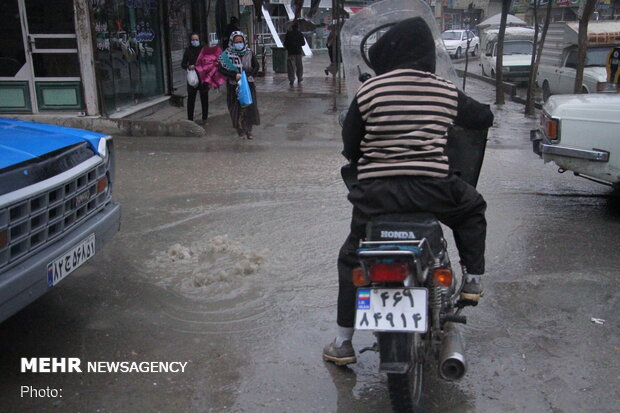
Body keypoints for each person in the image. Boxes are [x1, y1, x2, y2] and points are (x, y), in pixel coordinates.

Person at [322, 17, 494, 366]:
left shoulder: (369, 91)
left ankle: (342, 342)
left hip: (376, 196)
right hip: (433, 189)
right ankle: (473, 279)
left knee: (351, 259)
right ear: (427, 53)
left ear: (388, 54)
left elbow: (350, 143)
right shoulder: (444, 89)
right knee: (473, 209)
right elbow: (482, 118)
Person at [218, 31, 260, 140]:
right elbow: (221, 69)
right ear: (232, 42)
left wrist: (249, 76)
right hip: (233, 86)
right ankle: (239, 129)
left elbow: (256, 66)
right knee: (235, 109)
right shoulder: (226, 55)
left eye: (240, 41)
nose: (239, 44)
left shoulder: (249, 53)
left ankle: (248, 131)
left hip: (248, 85)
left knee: (249, 107)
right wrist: (233, 75)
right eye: (236, 42)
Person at [181, 33, 209, 123]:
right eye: (193, 40)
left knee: (204, 98)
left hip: (203, 77)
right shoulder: (188, 50)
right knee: (191, 99)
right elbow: (183, 64)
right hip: (192, 77)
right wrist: (189, 66)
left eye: (196, 40)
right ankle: (190, 119)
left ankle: (205, 118)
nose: (195, 41)